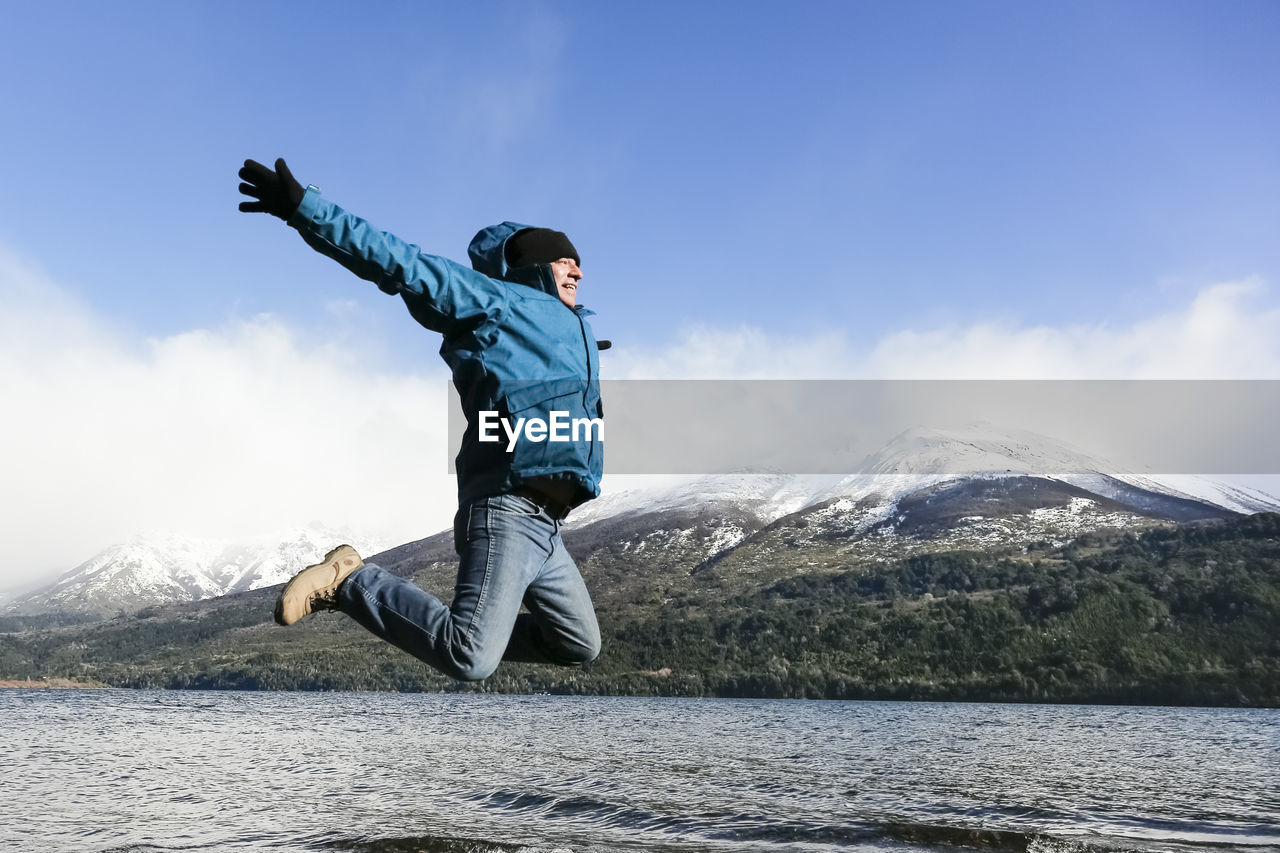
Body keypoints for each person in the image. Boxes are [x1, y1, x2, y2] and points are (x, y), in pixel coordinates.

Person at [238, 158, 604, 681]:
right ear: (534, 265)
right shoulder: (495, 305)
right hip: (507, 507)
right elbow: (400, 262)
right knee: (470, 657)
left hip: (548, 526)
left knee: (578, 644)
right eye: (567, 262)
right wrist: (305, 209)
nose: (579, 271)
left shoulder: (577, 331)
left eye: (580, 264)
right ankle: (350, 581)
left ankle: (474, 629)